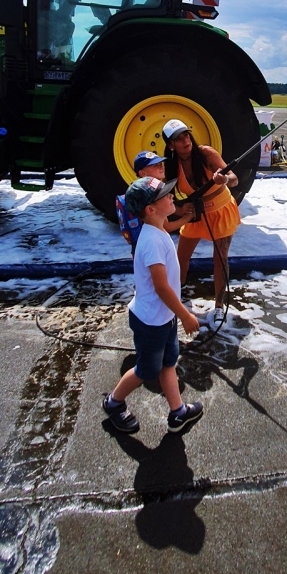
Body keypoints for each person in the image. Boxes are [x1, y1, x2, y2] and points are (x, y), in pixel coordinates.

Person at [103, 175, 202, 435]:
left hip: (163, 317)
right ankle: (113, 403)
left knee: (168, 363)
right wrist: (185, 315)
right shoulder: (151, 242)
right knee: (145, 370)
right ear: (150, 209)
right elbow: (161, 287)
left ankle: (177, 411)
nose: (172, 197)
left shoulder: (158, 229)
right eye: (165, 196)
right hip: (151, 322)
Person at [162, 119, 240, 327]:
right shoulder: (170, 165)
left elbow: (234, 179)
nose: (185, 141)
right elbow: (164, 196)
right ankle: (177, 296)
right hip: (196, 213)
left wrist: (225, 179)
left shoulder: (206, 154)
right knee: (180, 257)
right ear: (171, 145)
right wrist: (180, 210)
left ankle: (218, 306)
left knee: (220, 259)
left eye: (186, 135)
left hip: (221, 210)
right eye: (178, 139)